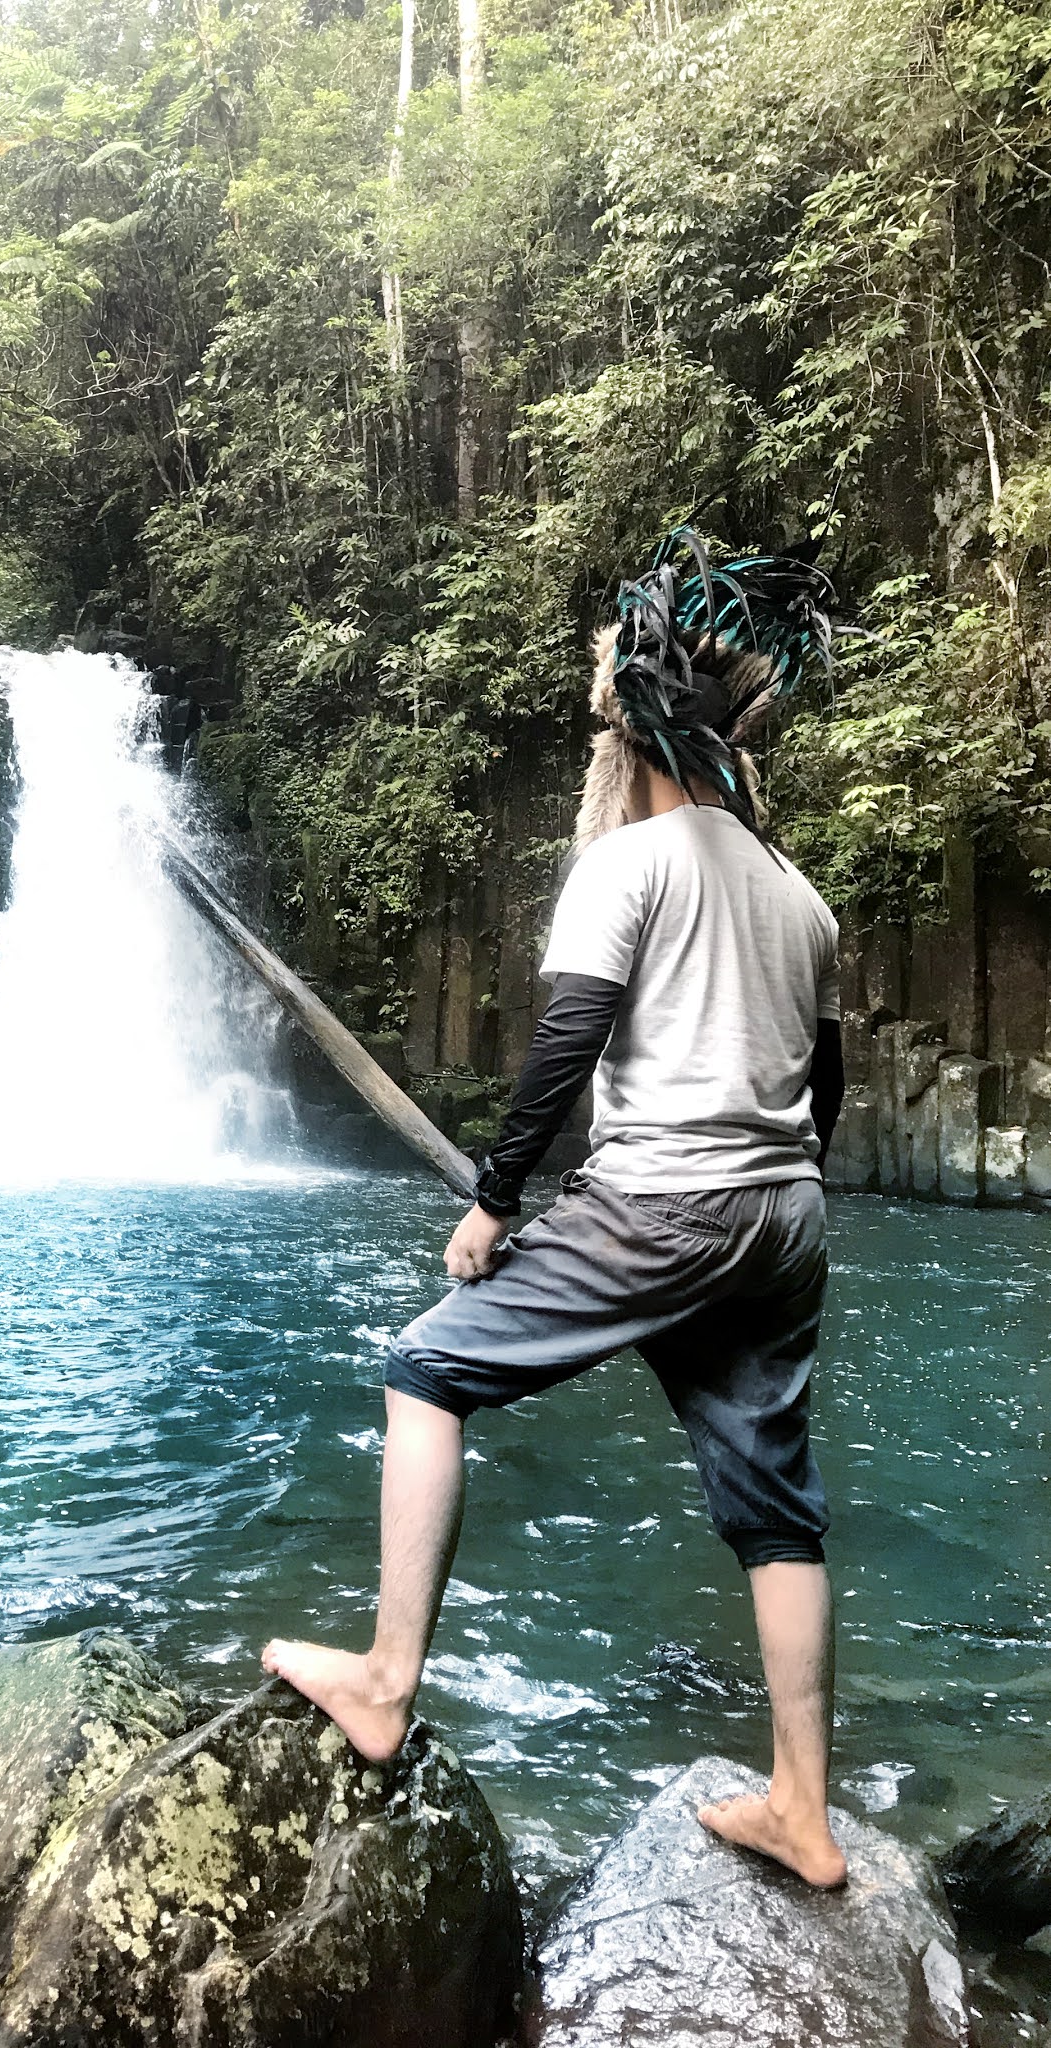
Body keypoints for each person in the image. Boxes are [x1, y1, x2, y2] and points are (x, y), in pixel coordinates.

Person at [263, 535, 851, 1890]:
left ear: (630, 732)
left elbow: (563, 1045)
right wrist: (766, 1191)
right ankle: (802, 1809)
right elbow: (825, 1086)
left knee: (424, 1367)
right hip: (784, 1216)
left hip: (664, 1201)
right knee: (775, 1509)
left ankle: (384, 1681)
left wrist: (492, 1203)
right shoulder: (795, 894)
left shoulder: (627, 866)